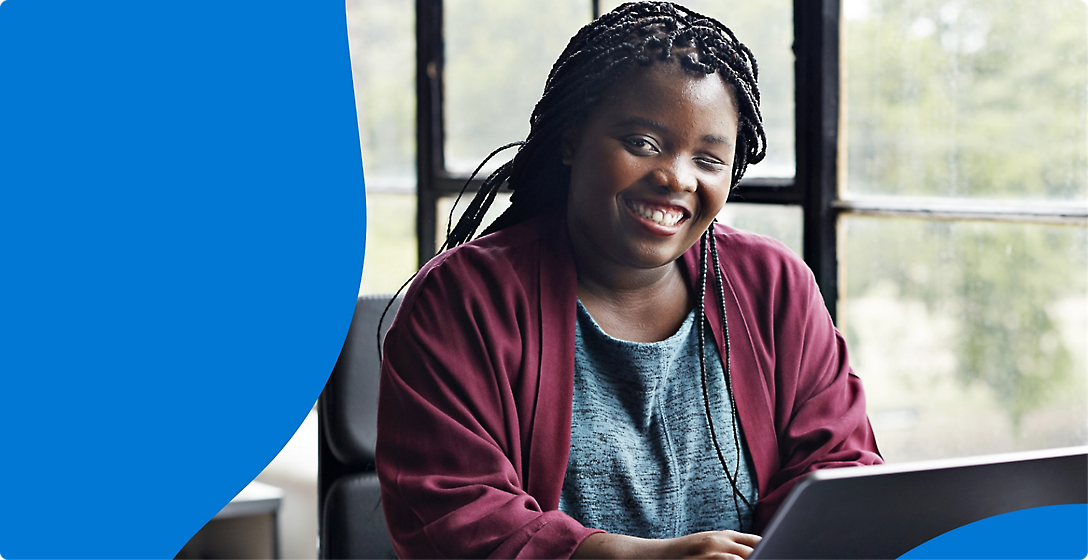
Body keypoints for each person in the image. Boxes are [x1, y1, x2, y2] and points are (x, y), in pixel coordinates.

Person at [375, 2, 882, 559]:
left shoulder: (774, 287)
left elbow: (838, 474)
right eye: (642, 142)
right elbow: (453, 515)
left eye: (708, 159)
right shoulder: (464, 299)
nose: (675, 177)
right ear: (572, 139)